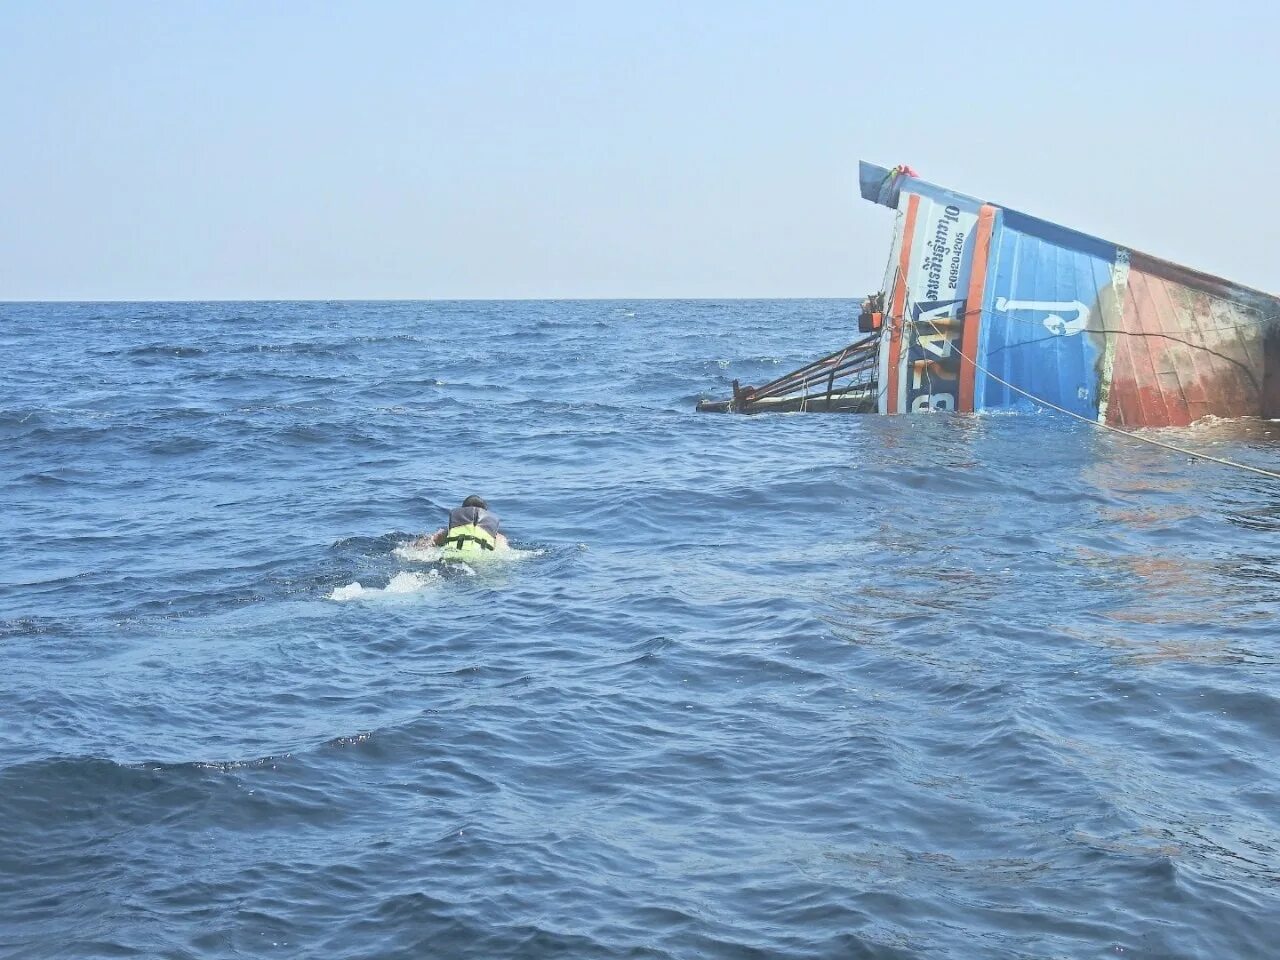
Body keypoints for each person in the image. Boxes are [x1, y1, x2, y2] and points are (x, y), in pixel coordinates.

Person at [416, 495, 509, 552]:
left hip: (454, 559)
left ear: (462, 512)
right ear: (486, 514)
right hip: (482, 563)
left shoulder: (448, 532)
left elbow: (426, 543)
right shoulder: (498, 538)